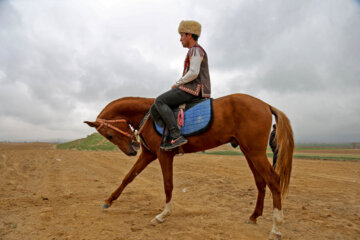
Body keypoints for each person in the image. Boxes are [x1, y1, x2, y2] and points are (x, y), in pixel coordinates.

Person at [154, 20, 211, 151]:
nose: (180, 39)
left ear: (189, 35)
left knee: (159, 101)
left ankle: (176, 135)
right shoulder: (195, 50)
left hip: (193, 89)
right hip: (196, 89)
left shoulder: (195, 50)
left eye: (182, 35)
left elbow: (193, 73)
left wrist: (177, 83)